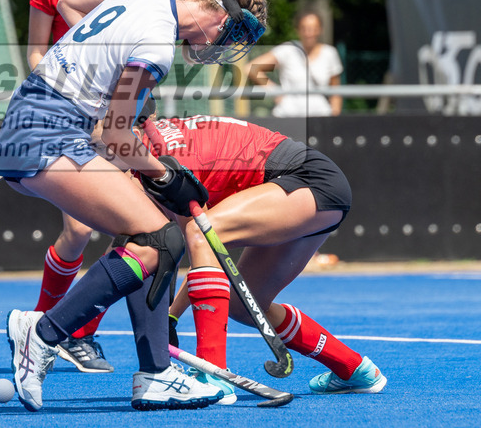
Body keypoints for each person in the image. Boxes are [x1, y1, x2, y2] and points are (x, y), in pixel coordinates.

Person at [0, 0, 268, 412]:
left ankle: (156, 374)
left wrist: (92, 75)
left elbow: (69, 4)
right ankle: (44, 332)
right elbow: (120, 138)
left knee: (152, 236)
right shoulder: (157, 46)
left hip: (43, 118)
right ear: (219, 17)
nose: (222, 46)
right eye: (230, 34)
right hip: (47, 133)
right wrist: (167, 175)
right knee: (162, 237)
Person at [128, 104, 386, 403]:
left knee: (201, 231)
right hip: (311, 187)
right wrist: (172, 314)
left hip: (307, 181)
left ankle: (213, 376)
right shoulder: (155, 141)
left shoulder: (159, 162)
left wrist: (170, 315)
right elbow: (207, 256)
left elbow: (197, 240)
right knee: (242, 303)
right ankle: (354, 369)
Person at [26, 0, 155, 374]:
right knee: (80, 228)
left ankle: (76, 334)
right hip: (73, 113)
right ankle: (44, 325)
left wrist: (131, 108)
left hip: (125, 112)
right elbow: (37, 50)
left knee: (130, 223)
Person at [247, 10, 343, 117]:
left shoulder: (329, 53)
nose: (309, 33)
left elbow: (335, 90)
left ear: (320, 30)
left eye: (313, 29)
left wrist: (335, 115)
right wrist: (275, 92)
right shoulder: (288, 50)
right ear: (298, 30)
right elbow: (251, 68)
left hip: (321, 116)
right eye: (304, 29)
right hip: (288, 116)